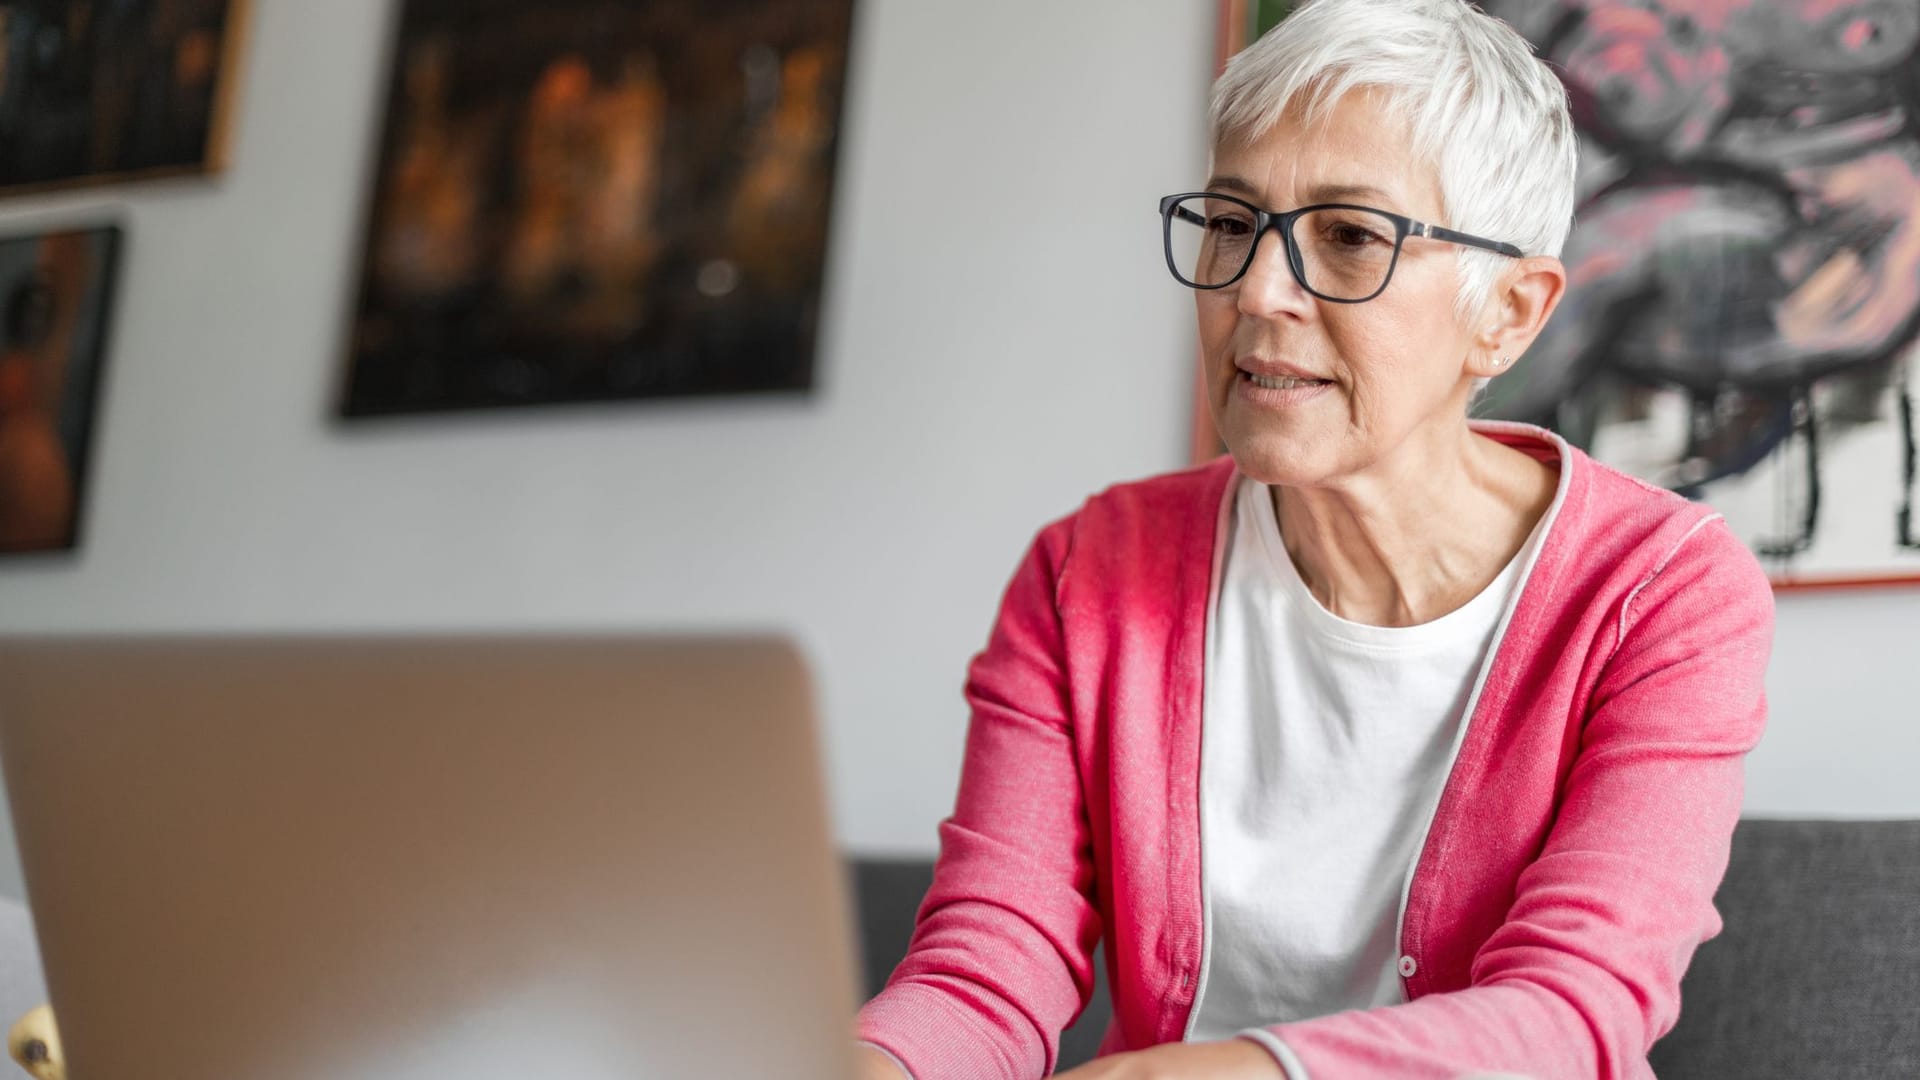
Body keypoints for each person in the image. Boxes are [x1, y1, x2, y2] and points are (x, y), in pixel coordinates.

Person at [853, 0, 1774, 1077]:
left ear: (1510, 313)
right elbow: (984, 972)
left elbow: (1570, 1017)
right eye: (1234, 224)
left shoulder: (1662, 593)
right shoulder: (1085, 573)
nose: (1256, 292)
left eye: (1348, 238)